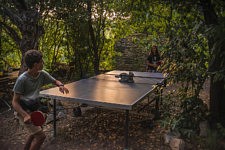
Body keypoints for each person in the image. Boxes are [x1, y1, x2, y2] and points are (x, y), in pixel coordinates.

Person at [12, 49, 69, 150]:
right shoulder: (22, 79)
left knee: (35, 133)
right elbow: (15, 102)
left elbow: (55, 81)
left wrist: (60, 85)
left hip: (34, 108)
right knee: (40, 136)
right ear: (36, 64)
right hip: (23, 110)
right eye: (41, 61)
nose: (43, 62)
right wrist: (25, 115)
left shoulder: (42, 74)